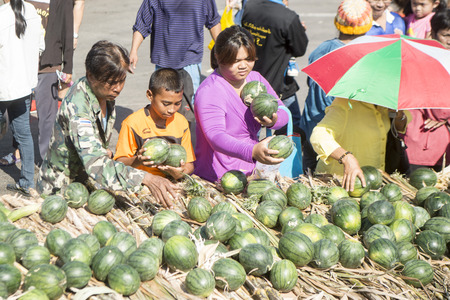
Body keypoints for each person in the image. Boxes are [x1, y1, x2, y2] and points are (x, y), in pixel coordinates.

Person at [37, 41, 179, 209]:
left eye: (122, 80)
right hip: (62, 191)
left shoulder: (105, 95)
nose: (118, 88)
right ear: (91, 76)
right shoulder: (78, 108)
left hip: (86, 183)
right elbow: (96, 164)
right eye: (111, 82)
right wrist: (144, 178)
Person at [194, 25, 289, 182]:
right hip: (220, 176)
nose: (244, 66)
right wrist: (251, 151)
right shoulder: (210, 91)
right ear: (219, 57)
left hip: (252, 170)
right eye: (236, 61)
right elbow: (215, 136)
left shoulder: (255, 79)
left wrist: (274, 120)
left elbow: (283, 110)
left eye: (248, 59)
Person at [300, 0, 373, 172]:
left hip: (310, 123)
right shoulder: (363, 57)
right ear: (368, 26)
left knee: (309, 176)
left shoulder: (322, 48)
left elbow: (311, 83)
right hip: (334, 136)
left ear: (337, 22)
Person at [114, 68, 195, 180]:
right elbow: (120, 162)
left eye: (177, 103)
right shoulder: (133, 123)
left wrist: (180, 173)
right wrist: (138, 160)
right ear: (150, 95)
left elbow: (189, 164)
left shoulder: (181, 122)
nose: (171, 110)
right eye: (166, 104)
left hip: (172, 181)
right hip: (143, 182)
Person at [129, 0, 221, 98]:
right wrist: (134, 50)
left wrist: (222, 49)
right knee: (164, 103)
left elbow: (213, 21)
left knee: (189, 103)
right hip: (164, 61)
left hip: (191, 60)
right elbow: (142, 23)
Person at [241, 0, 308, 129]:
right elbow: (300, 49)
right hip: (279, 85)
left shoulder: (249, 6)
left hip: (252, 82)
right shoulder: (288, 17)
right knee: (291, 127)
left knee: (251, 127)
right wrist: (298, 30)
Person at [1, 0, 42, 196]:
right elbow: (40, 46)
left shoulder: (1, 14)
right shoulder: (32, 10)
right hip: (24, 84)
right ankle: (27, 183)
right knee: (24, 134)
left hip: (3, 86)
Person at [26, 0, 74, 162]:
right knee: (19, 115)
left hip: (49, 65)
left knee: (47, 117)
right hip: (22, 63)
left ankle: (48, 160)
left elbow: (67, 31)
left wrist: (68, 67)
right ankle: (21, 154)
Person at [403, 9, 450, 173]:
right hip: (425, 142)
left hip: (423, 142)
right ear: (434, 33)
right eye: (446, 35)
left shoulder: (417, 55)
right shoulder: (428, 60)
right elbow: (441, 111)